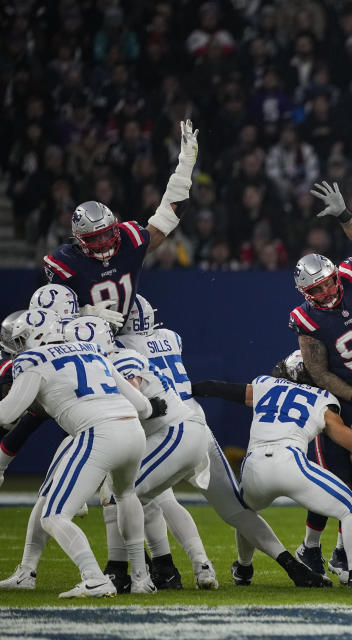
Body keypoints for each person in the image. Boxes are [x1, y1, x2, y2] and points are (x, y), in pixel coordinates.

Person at [120, 296, 324, 589]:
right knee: (235, 509)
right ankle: (288, 566)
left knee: (125, 496)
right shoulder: (171, 338)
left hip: (167, 430)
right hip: (198, 426)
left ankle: (140, 570)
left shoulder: (122, 348)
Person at [0, 309, 160, 597]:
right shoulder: (92, 351)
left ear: (36, 336)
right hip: (132, 430)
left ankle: (94, 578)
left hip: (98, 433)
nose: (18, 348)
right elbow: (143, 406)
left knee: (53, 515)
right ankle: (141, 578)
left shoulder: (32, 360)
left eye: (21, 340)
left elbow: (8, 413)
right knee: (125, 495)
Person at [61, 316, 218, 591]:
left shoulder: (120, 359)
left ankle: (132, 574)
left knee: (119, 493)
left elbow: (134, 401)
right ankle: (170, 569)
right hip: (173, 434)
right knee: (147, 498)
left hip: (175, 432)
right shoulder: (106, 362)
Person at [287, 179, 352, 583]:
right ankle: (311, 550)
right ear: (305, 293)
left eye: (328, 281)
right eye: (317, 289)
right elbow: (319, 372)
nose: (328, 290)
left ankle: (340, 552)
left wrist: (347, 216)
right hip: (343, 401)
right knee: (335, 482)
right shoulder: (308, 319)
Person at [191, 369, 352, 588]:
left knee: (246, 515)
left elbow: (215, 387)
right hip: (290, 463)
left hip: (253, 467)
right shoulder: (323, 398)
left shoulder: (266, 385)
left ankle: (243, 567)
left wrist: (189, 389)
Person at [41, 121, 199, 328]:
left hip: (125, 335)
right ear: (79, 239)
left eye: (107, 234)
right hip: (82, 339)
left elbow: (168, 216)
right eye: (94, 238)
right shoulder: (66, 261)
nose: (103, 242)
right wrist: (86, 312)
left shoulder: (128, 241)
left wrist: (185, 165)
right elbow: (48, 317)